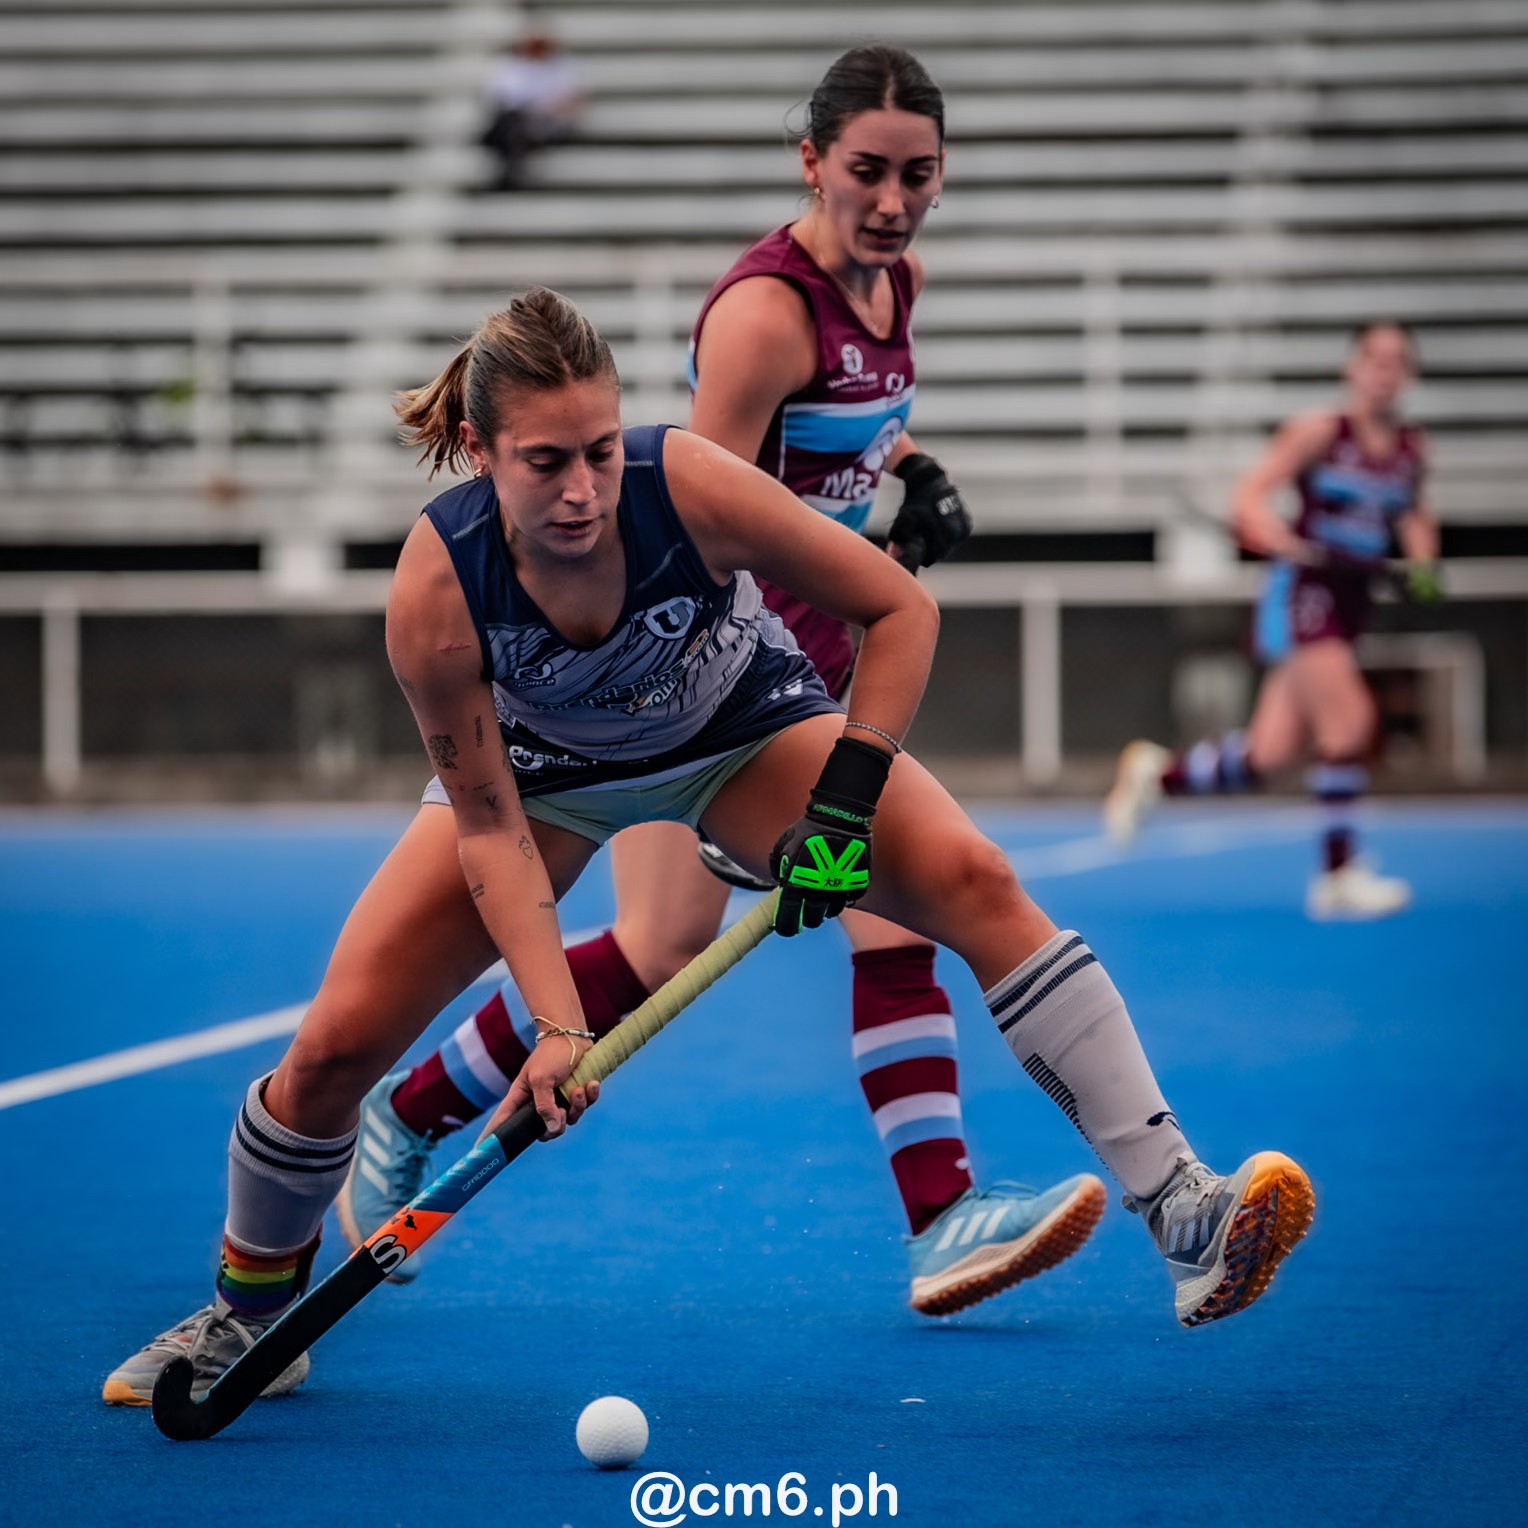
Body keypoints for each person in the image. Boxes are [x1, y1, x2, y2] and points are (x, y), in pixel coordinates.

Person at [103, 287, 1313, 1408]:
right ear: (481, 455)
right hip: (541, 786)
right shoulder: (436, 591)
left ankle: (1184, 1213)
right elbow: (487, 828)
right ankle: (247, 1321)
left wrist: (843, 800)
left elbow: (900, 608)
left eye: (596, 450)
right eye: (543, 462)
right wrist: (558, 1027)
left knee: (975, 881)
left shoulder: (683, 484)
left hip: (739, 732)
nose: (582, 488)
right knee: (328, 1050)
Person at [340, 46, 1105, 1321]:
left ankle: (411, 1106)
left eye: (920, 175)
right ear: (812, 163)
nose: (895, 202)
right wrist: (796, 644)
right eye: (868, 172)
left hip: (761, 680)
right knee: (875, 906)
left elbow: (843, 438)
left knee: (658, 942)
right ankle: (940, 1214)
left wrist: (904, 475)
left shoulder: (889, 287)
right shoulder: (762, 313)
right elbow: (709, 511)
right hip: (726, 682)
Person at [1104, 322, 1442, 919]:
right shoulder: (1318, 432)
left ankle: (1157, 774)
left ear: (1408, 375)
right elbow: (1249, 498)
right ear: (1353, 369)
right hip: (1304, 593)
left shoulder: (1413, 451)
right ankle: (1337, 877)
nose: (1385, 373)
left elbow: (1415, 515)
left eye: (1398, 362)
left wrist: (1420, 564)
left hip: (1352, 602)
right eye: (1375, 360)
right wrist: (1275, 536)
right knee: (1351, 723)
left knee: (1272, 757)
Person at [479, 24, 584, 191]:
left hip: (547, 122)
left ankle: (512, 165)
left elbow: (572, 101)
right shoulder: (511, 67)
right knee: (510, 124)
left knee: (512, 127)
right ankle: (513, 163)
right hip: (517, 121)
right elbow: (501, 98)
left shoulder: (563, 68)